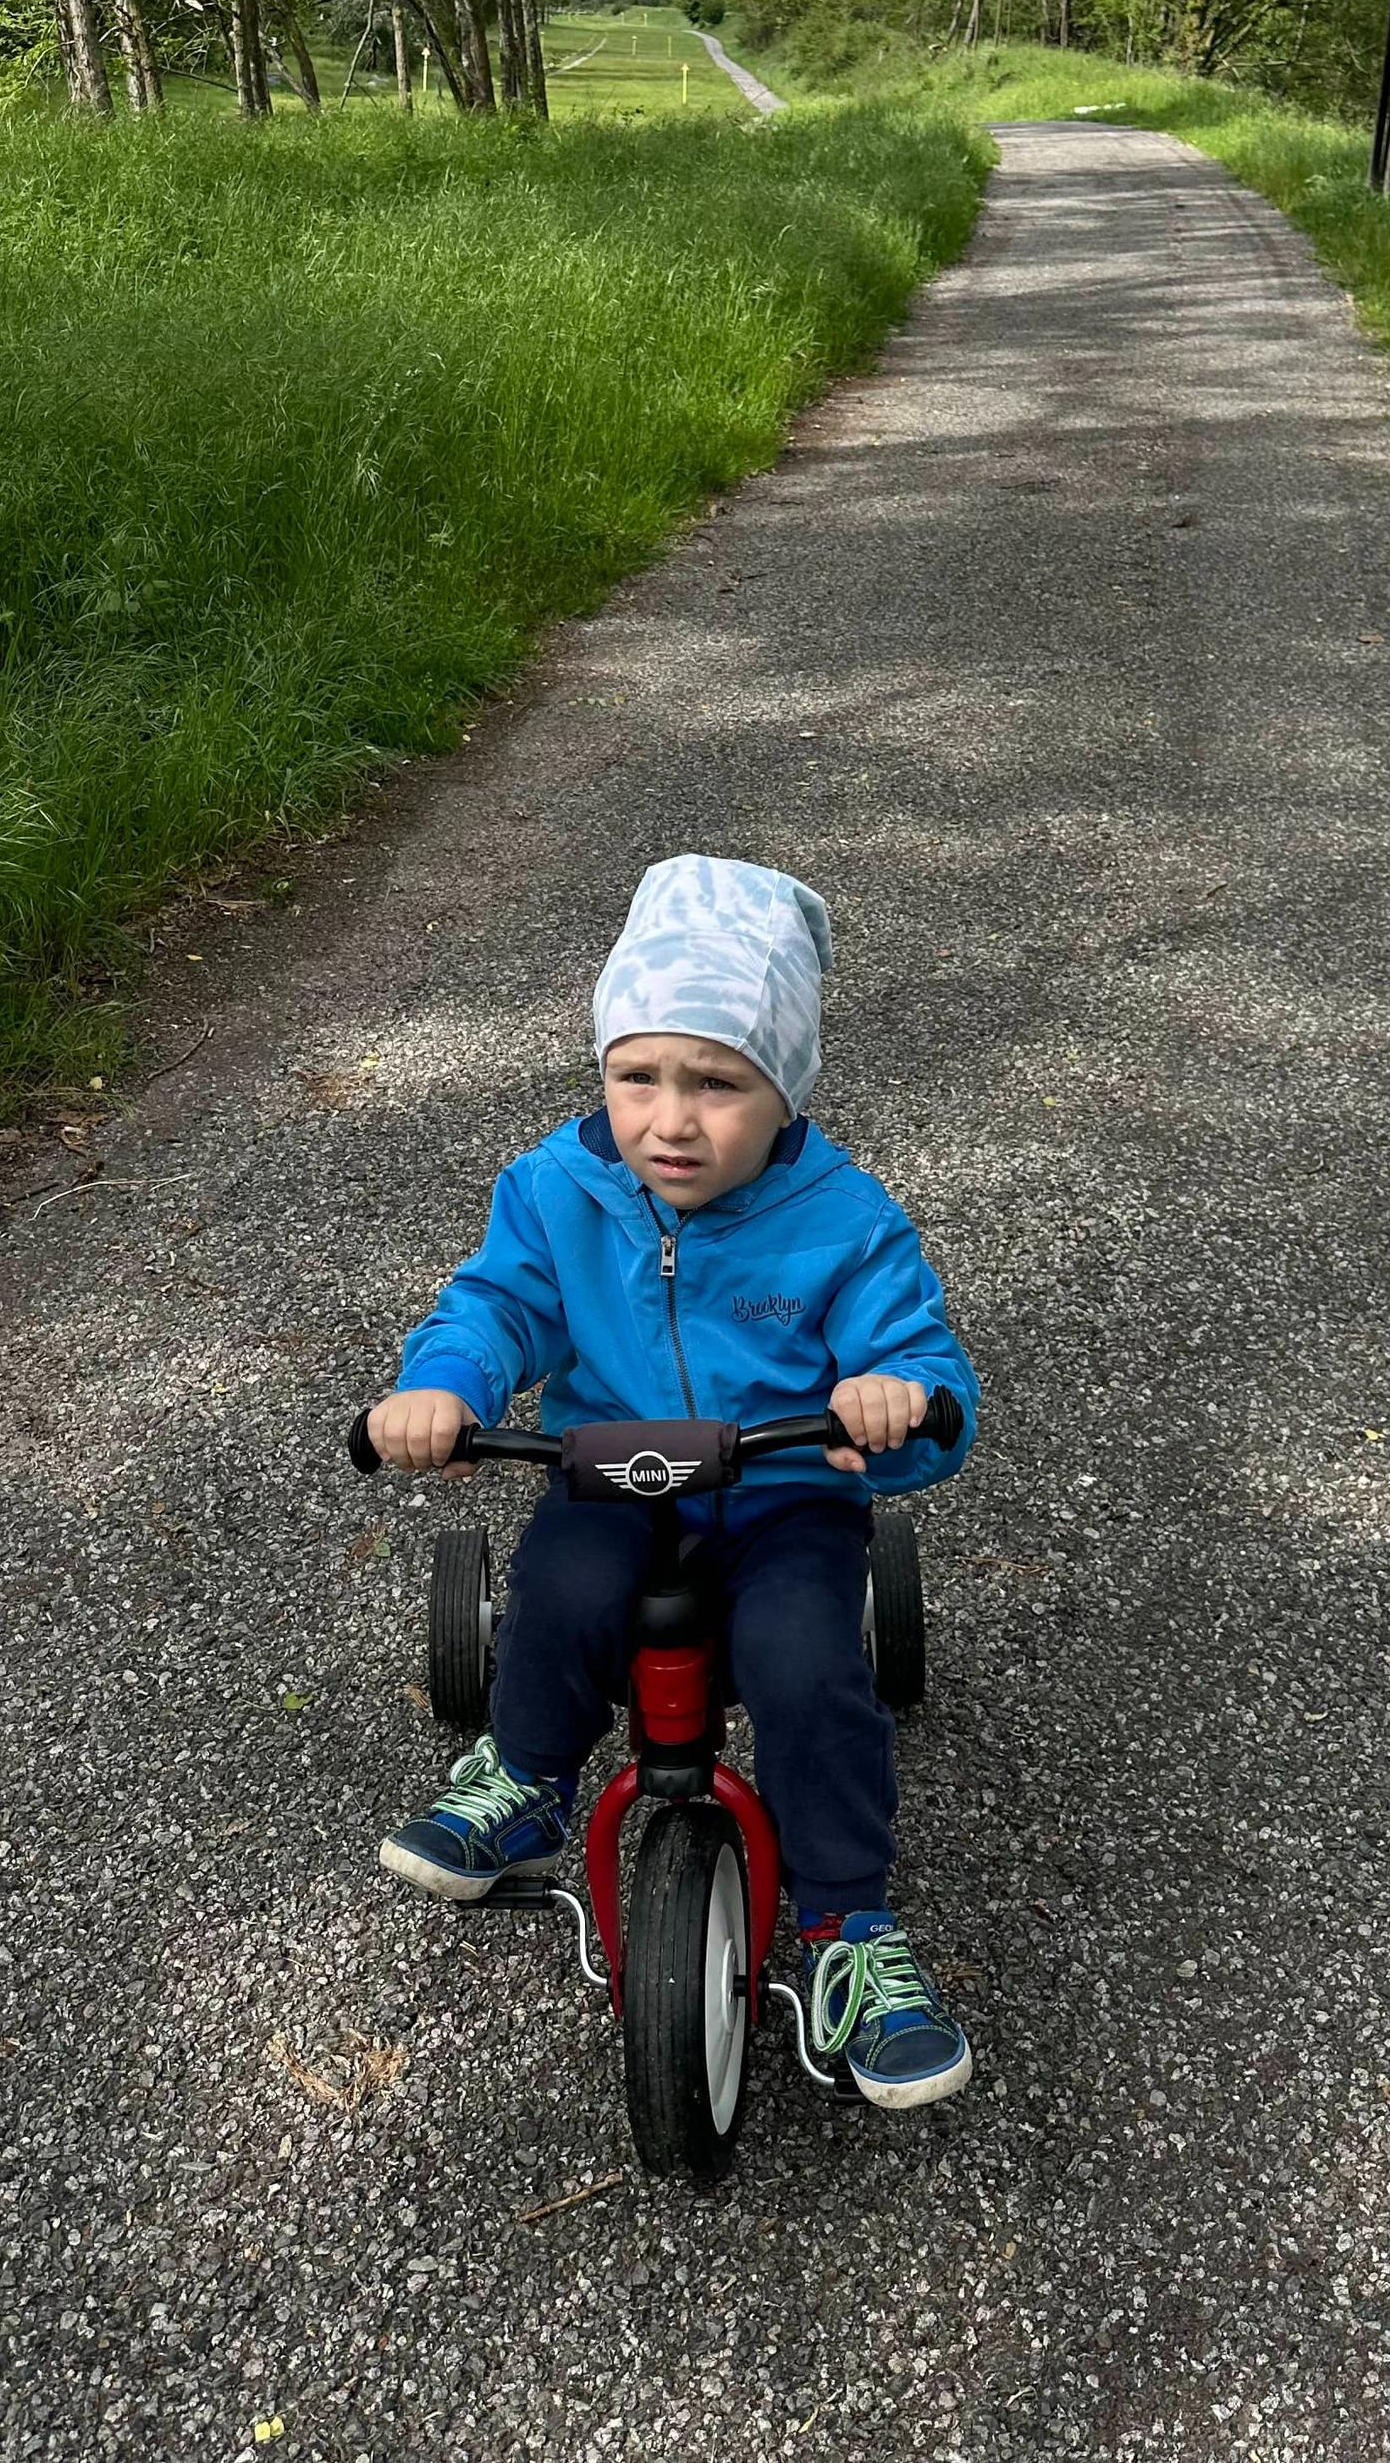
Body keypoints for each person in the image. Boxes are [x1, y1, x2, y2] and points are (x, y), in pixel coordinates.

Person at [362, 853, 980, 2111]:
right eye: (637, 1074)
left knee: (807, 1662)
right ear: (601, 1071)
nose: (670, 1119)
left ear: (785, 1091)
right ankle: (526, 1778)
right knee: (562, 1586)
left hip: (782, 1488)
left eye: (718, 1082)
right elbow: (499, 1306)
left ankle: (853, 1927)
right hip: (614, 1472)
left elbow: (916, 1360)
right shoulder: (556, 1188)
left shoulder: (845, 1219)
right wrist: (448, 1389)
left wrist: (892, 1401)